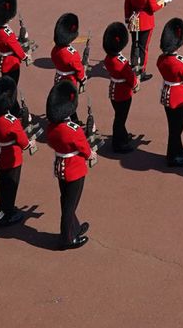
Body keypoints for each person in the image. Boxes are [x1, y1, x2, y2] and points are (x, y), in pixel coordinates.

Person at [44, 80, 95, 249]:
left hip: (61, 166)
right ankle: (67, 238)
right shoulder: (73, 129)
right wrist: (91, 154)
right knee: (69, 204)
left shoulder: (52, 128)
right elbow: (84, 148)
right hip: (74, 168)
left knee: (66, 200)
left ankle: (74, 228)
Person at [0, 75, 31, 227]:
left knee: (2, 182)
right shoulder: (10, 122)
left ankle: (5, 207)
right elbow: (23, 142)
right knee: (11, 185)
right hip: (11, 157)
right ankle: (8, 213)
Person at [124, 0, 173, 77]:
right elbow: (154, 8)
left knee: (134, 43)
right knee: (143, 47)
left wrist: (127, 17)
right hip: (146, 22)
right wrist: (165, 1)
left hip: (133, 20)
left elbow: (127, 4)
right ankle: (141, 70)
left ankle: (133, 65)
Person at [156, 18, 183, 168]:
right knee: (176, 129)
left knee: (174, 127)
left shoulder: (161, 60)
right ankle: (172, 157)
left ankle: (178, 149)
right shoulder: (180, 62)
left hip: (167, 95)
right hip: (179, 98)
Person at [98, 22, 136, 155]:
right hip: (123, 93)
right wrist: (136, 83)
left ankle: (123, 136)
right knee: (120, 118)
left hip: (114, 90)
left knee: (119, 116)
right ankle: (118, 143)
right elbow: (131, 79)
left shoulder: (108, 58)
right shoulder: (121, 62)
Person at [0, 0, 26, 91]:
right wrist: (25, 56)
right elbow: (16, 48)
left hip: (3, 61)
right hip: (11, 63)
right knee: (12, 88)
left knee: (6, 87)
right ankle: (13, 106)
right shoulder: (7, 33)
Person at [51, 13, 87, 93]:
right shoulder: (72, 54)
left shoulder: (54, 50)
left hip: (58, 78)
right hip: (70, 81)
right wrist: (83, 79)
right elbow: (79, 69)